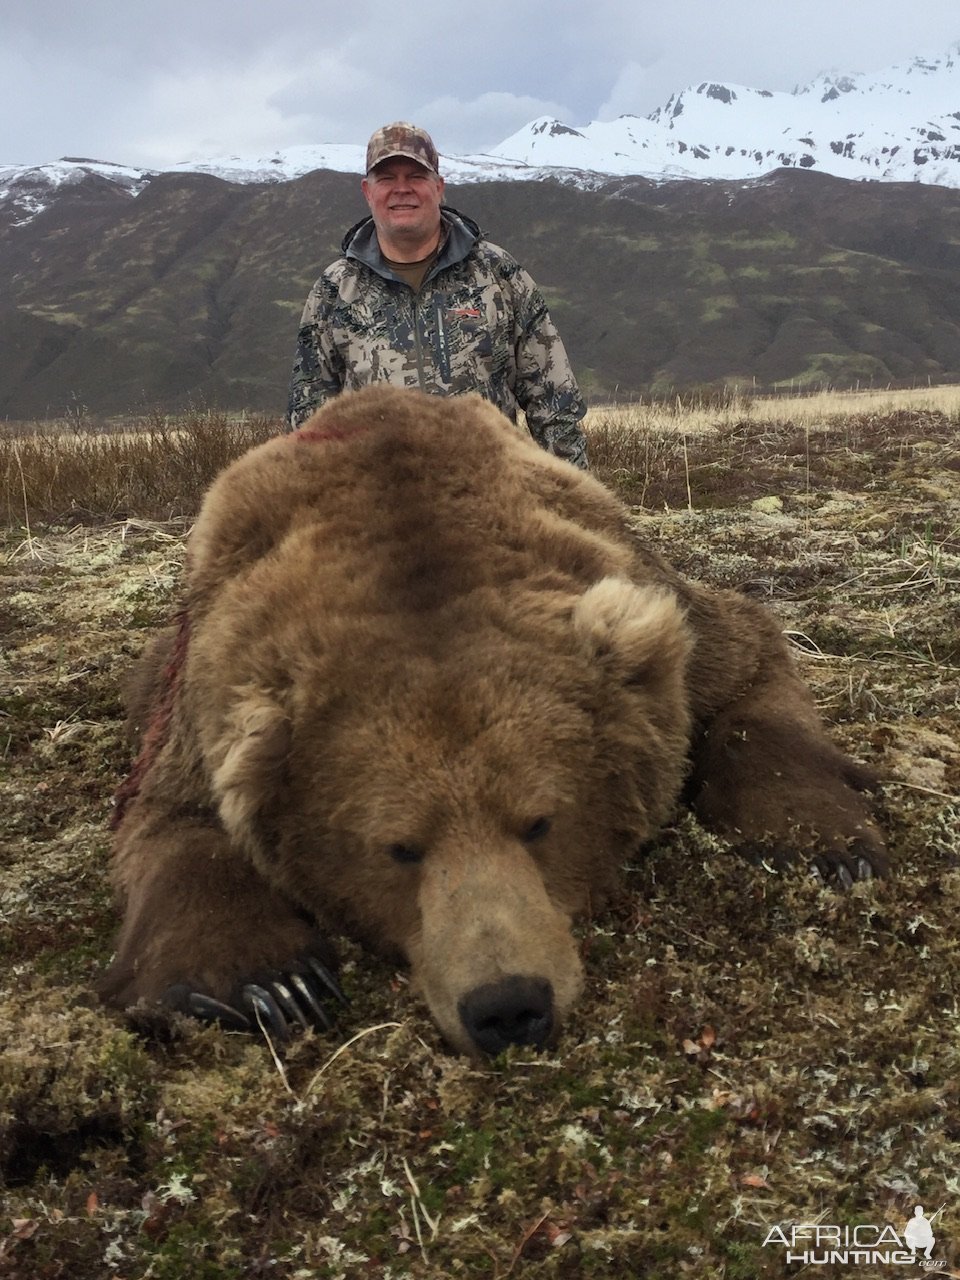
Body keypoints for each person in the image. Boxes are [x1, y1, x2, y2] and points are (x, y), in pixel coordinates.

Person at [287, 122, 589, 468]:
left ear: (439, 187)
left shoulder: (497, 274)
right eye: (387, 179)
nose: (402, 190)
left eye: (416, 176)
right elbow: (308, 420)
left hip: (490, 498)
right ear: (367, 191)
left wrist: (573, 498)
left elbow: (554, 402)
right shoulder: (335, 290)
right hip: (376, 505)